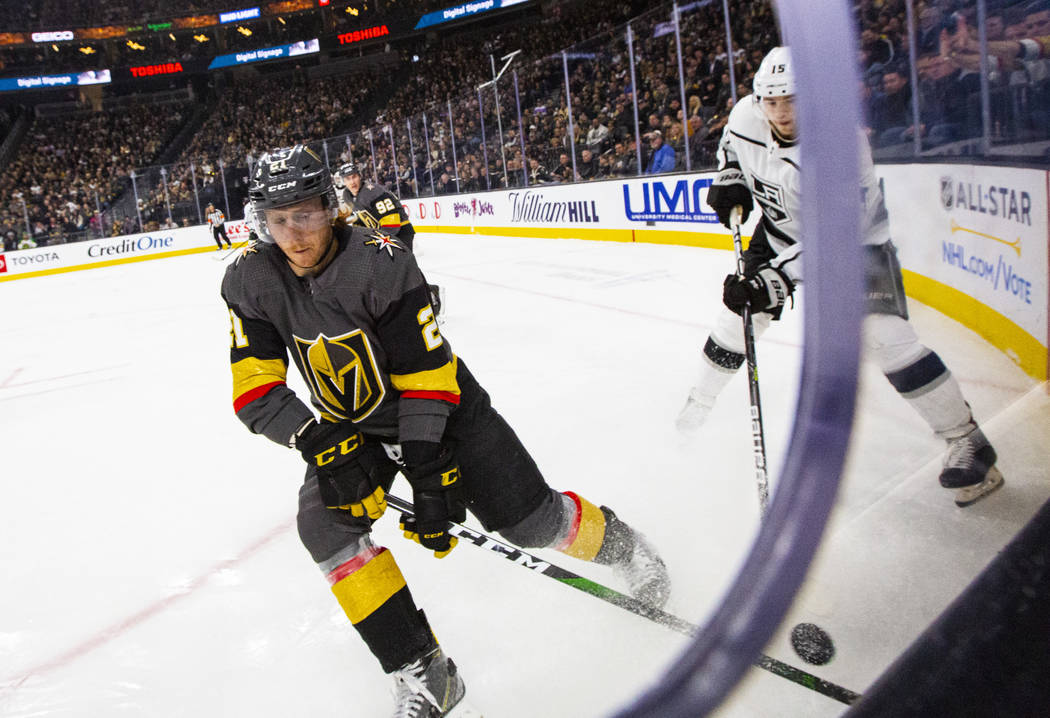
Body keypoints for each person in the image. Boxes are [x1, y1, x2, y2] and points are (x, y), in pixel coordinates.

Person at [222, 145, 671, 716]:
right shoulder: (250, 277)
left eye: (306, 214)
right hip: (351, 427)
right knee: (324, 527)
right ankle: (425, 672)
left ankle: (630, 548)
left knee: (533, 525)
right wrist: (315, 441)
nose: (294, 234)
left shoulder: (379, 261)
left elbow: (428, 375)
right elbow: (254, 384)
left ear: (331, 208)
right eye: (278, 220)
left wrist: (428, 470)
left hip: (448, 413)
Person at [675, 47, 1003, 508]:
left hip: (856, 244)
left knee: (885, 337)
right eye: (771, 102)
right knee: (739, 317)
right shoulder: (746, 114)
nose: (781, 112)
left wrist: (778, 279)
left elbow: (836, 235)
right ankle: (698, 405)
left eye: (790, 100)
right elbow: (731, 147)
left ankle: (966, 440)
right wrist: (730, 177)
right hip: (778, 230)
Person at [335, 161, 443, 317]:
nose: (352, 182)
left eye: (354, 177)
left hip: (400, 232)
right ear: (343, 182)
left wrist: (378, 243)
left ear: (359, 176)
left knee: (404, 271)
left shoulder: (372, 192)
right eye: (348, 179)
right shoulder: (350, 196)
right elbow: (363, 219)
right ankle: (423, 294)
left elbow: (391, 221)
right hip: (384, 235)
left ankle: (429, 298)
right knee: (392, 273)